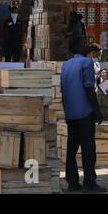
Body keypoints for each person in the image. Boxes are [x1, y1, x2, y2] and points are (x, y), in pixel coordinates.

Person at [61, 39, 105, 193]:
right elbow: (89, 88)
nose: (86, 44)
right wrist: (97, 110)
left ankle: (72, 183)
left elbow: (63, 90)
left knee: (71, 150)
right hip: (85, 112)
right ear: (79, 47)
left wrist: (67, 112)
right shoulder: (86, 63)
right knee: (88, 149)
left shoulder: (65, 65)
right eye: (83, 42)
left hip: (71, 113)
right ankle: (89, 183)